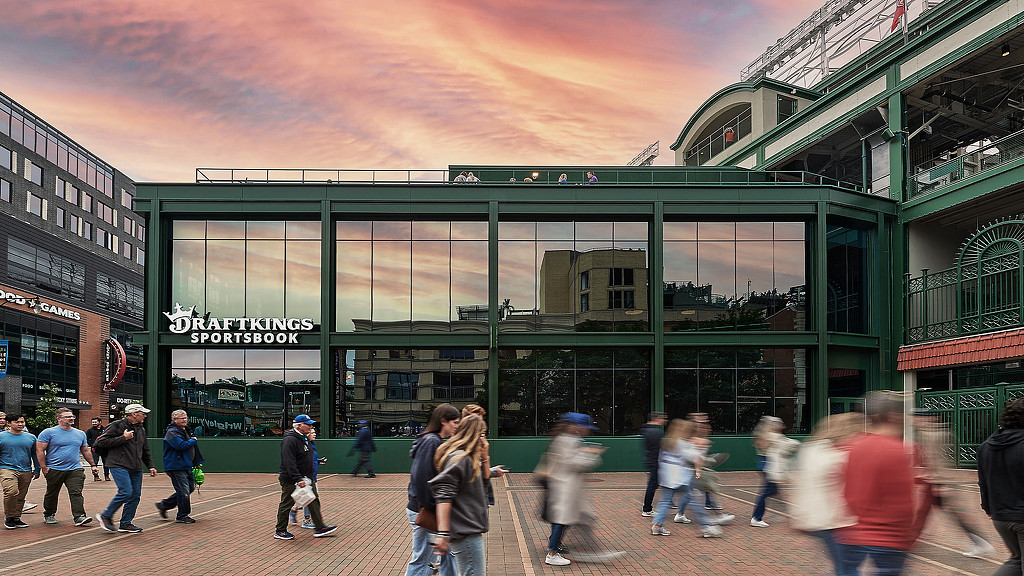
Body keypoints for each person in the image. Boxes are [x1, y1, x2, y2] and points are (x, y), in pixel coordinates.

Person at [836, 391, 927, 576]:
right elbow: (904, 504)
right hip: (889, 538)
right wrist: (912, 534)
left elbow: (848, 493)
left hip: (853, 534)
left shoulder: (854, 446)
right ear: (892, 416)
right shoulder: (897, 451)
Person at [539, 412, 621, 566]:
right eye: (585, 427)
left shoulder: (567, 439)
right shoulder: (566, 440)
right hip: (564, 487)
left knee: (567, 518)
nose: (588, 430)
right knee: (562, 519)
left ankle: (556, 545)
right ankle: (552, 552)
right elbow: (573, 463)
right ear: (575, 426)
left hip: (566, 486)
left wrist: (585, 452)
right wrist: (591, 454)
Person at [790, 412, 864, 575]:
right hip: (839, 519)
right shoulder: (840, 455)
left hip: (817, 518)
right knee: (848, 567)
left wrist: (800, 515)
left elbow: (801, 483)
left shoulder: (811, 449)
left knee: (843, 564)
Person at [914, 408, 994, 557]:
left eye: (918, 417)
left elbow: (940, 461)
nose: (915, 421)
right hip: (934, 481)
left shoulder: (935, 435)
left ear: (929, 418)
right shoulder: (928, 433)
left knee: (954, 515)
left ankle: (981, 542)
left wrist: (942, 483)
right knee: (924, 512)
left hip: (940, 482)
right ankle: (910, 539)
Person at [430, 414, 491, 576]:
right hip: (465, 533)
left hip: (469, 530)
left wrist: (485, 457)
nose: (485, 440)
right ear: (475, 434)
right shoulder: (459, 459)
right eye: (483, 434)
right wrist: (443, 533)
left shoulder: (470, 459)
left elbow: (483, 488)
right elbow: (443, 495)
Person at [406, 403, 461, 576]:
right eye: (455, 422)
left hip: (424, 508)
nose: (456, 426)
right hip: (425, 510)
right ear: (444, 421)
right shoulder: (432, 442)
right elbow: (421, 478)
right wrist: (430, 507)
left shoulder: (433, 441)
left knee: (440, 554)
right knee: (423, 560)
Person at [651, 418, 722, 538]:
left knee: (664, 501)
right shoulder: (683, 443)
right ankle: (706, 527)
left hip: (666, 477)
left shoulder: (667, 443)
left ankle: (657, 525)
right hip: (680, 478)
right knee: (694, 500)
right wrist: (707, 457)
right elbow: (695, 457)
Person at [977, 398, 1024, 576]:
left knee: (1016, 561)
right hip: (1021, 517)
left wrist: (988, 508)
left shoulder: (986, 446)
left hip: (1000, 517)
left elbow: (983, 482)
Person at [94, 403, 157, 533]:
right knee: (126, 492)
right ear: (134, 414)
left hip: (136, 467)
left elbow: (145, 450)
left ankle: (126, 523)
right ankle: (106, 515)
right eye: (142, 413)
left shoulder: (141, 429)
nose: (145, 416)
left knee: (135, 495)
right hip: (118, 464)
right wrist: (123, 438)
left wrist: (150, 466)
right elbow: (101, 442)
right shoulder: (117, 425)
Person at [275, 414, 337, 540]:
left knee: (313, 500)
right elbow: (289, 462)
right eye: (308, 424)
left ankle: (320, 528)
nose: (311, 426)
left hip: (306, 477)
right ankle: (280, 530)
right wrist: (298, 479)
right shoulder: (290, 440)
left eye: (311, 424)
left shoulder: (304, 438)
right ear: (299, 425)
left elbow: (306, 456)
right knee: (286, 504)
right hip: (292, 479)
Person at [35, 408, 97, 527]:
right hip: (54, 468)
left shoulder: (80, 433)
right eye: (67, 416)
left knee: (76, 492)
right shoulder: (48, 432)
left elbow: (85, 450)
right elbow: (40, 450)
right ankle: (49, 514)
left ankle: (79, 516)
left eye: (72, 416)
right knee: (52, 493)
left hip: (75, 469)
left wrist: (93, 465)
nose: (71, 418)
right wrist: (44, 467)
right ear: (59, 419)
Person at [749, 415, 799, 527]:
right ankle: (756, 518)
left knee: (773, 491)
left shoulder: (765, 435)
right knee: (766, 492)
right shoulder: (772, 436)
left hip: (764, 464)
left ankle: (784, 513)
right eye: (777, 423)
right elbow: (790, 444)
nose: (780, 426)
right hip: (768, 465)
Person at [155, 409, 204, 524]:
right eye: (182, 418)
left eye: (185, 417)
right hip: (176, 466)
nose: (184, 420)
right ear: (174, 419)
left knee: (189, 488)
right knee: (183, 490)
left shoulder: (186, 430)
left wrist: (197, 461)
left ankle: (164, 505)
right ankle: (182, 515)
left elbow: (192, 449)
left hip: (186, 464)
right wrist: (193, 441)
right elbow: (180, 445)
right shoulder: (172, 432)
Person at [0, 414, 41, 528]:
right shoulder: (1, 436)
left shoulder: (31, 437)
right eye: (17, 422)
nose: (21, 424)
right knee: (11, 492)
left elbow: (35, 454)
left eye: (22, 422)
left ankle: (16, 518)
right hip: (6, 468)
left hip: (26, 470)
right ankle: (9, 517)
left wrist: (37, 468)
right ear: (9, 423)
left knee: (21, 496)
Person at [292, 428, 325, 529]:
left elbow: (311, 459)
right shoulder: (303, 445)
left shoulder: (311, 445)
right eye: (313, 433)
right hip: (306, 476)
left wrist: (318, 461)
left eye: (315, 433)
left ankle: (294, 509)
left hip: (312, 476)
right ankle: (306, 520)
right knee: (310, 498)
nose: (315, 434)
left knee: (308, 497)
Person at [640, 411, 667, 517]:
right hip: (656, 461)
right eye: (663, 418)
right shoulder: (656, 432)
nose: (665, 420)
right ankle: (647, 509)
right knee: (653, 485)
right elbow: (659, 449)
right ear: (657, 418)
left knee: (654, 484)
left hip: (651, 461)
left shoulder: (647, 429)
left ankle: (647, 508)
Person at [84, 417, 109, 481]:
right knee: (94, 462)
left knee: (106, 462)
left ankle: (107, 476)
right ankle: (96, 476)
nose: (94, 423)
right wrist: (93, 445)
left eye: (95, 422)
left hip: (104, 449)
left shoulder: (105, 429)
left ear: (100, 422)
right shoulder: (90, 430)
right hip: (95, 449)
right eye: (93, 422)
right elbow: (87, 439)